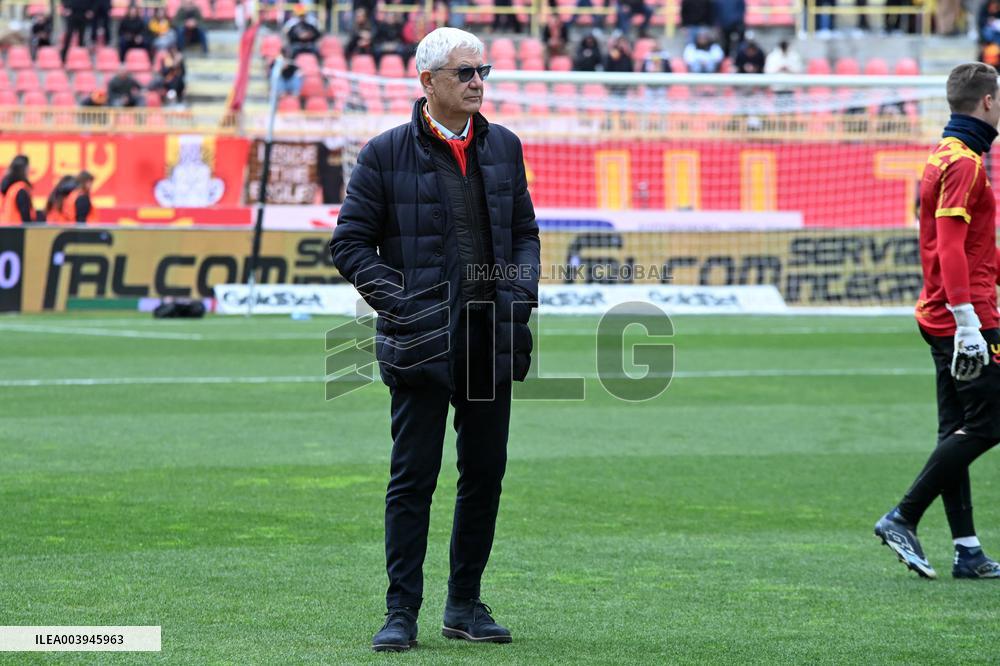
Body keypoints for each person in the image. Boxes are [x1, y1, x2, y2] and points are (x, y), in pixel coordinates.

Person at [329, 26, 539, 653]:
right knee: (412, 479)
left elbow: (525, 234)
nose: (477, 83)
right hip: (421, 342)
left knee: (485, 474)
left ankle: (464, 605)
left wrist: (517, 295)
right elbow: (349, 244)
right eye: (464, 73)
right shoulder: (384, 153)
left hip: (489, 339)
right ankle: (401, 612)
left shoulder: (504, 146)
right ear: (427, 81)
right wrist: (405, 308)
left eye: (482, 72)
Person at [875, 62, 1000, 580]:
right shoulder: (965, 163)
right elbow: (948, 245)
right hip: (963, 315)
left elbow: (969, 246)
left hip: (942, 310)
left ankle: (967, 550)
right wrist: (968, 321)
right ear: (988, 102)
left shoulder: (945, 154)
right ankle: (902, 516)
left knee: (957, 429)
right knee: (989, 423)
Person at [0, 155, 34, 224]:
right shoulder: (20, 189)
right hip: (17, 228)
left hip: (4, 227)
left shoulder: (6, 188)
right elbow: (26, 216)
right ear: (24, 169)